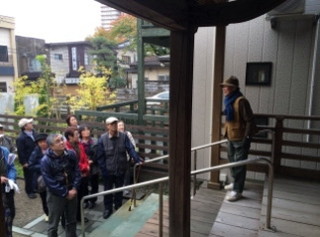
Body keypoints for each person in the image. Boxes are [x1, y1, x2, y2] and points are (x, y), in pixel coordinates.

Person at [97, 116, 143, 219]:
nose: (115, 126)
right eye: (112, 124)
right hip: (108, 171)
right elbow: (100, 157)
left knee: (119, 189)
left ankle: (118, 206)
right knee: (108, 190)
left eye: (116, 123)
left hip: (121, 168)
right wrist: (104, 171)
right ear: (107, 126)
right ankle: (107, 208)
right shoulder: (102, 139)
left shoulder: (124, 136)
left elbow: (130, 149)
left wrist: (137, 159)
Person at [220, 76, 257, 202]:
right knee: (232, 162)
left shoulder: (241, 101)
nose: (224, 89)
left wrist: (246, 137)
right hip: (230, 136)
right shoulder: (229, 101)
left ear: (233, 88)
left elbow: (250, 120)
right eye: (224, 86)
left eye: (226, 86)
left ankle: (237, 191)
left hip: (241, 138)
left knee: (239, 164)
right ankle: (236, 183)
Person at [41, 133, 81, 237]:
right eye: (57, 141)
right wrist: (65, 193)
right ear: (51, 146)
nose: (62, 142)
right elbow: (49, 182)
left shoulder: (71, 154)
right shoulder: (46, 161)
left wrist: (75, 188)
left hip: (72, 190)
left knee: (71, 220)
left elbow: (77, 171)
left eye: (61, 139)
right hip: (56, 195)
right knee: (53, 224)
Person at [64, 127, 90, 223]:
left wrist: (87, 165)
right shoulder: (66, 148)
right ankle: (73, 217)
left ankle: (79, 216)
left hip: (83, 175)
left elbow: (84, 157)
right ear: (70, 137)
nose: (78, 136)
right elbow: (74, 164)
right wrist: (84, 167)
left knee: (81, 197)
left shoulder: (79, 145)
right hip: (74, 178)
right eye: (76, 134)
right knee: (74, 199)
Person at [28, 133, 49, 221]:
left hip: (53, 178)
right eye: (40, 142)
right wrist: (43, 166)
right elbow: (31, 165)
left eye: (44, 141)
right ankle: (47, 213)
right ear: (37, 143)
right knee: (44, 198)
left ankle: (56, 212)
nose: (43, 144)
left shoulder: (52, 149)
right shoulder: (35, 152)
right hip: (41, 179)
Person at [16, 118, 38, 199]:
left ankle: (35, 188)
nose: (32, 124)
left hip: (36, 158)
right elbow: (20, 151)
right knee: (28, 176)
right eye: (29, 123)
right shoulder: (21, 138)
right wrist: (24, 162)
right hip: (27, 159)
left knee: (35, 174)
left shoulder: (34, 133)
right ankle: (29, 191)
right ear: (25, 126)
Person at [79, 125, 99, 209]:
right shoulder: (79, 142)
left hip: (94, 165)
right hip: (83, 166)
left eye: (87, 130)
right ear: (80, 133)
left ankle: (93, 200)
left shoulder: (95, 141)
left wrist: (92, 161)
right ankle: (85, 200)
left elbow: (98, 153)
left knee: (94, 184)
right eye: (84, 130)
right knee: (84, 184)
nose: (86, 131)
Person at [0, 145, 18, 237]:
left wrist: (11, 178)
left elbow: (11, 167)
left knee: (9, 214)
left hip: (6, 189)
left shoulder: (4, 151)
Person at [117, 120, 136, 196]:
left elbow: (133, 144)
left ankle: (126, 188)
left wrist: (132, 155)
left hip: (127, 157)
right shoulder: (115, 135)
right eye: (119, 125)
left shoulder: (128, 134)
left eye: (122, 125)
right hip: (117, 158)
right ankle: (119, 188)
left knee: (126, 174)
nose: (121, 127)